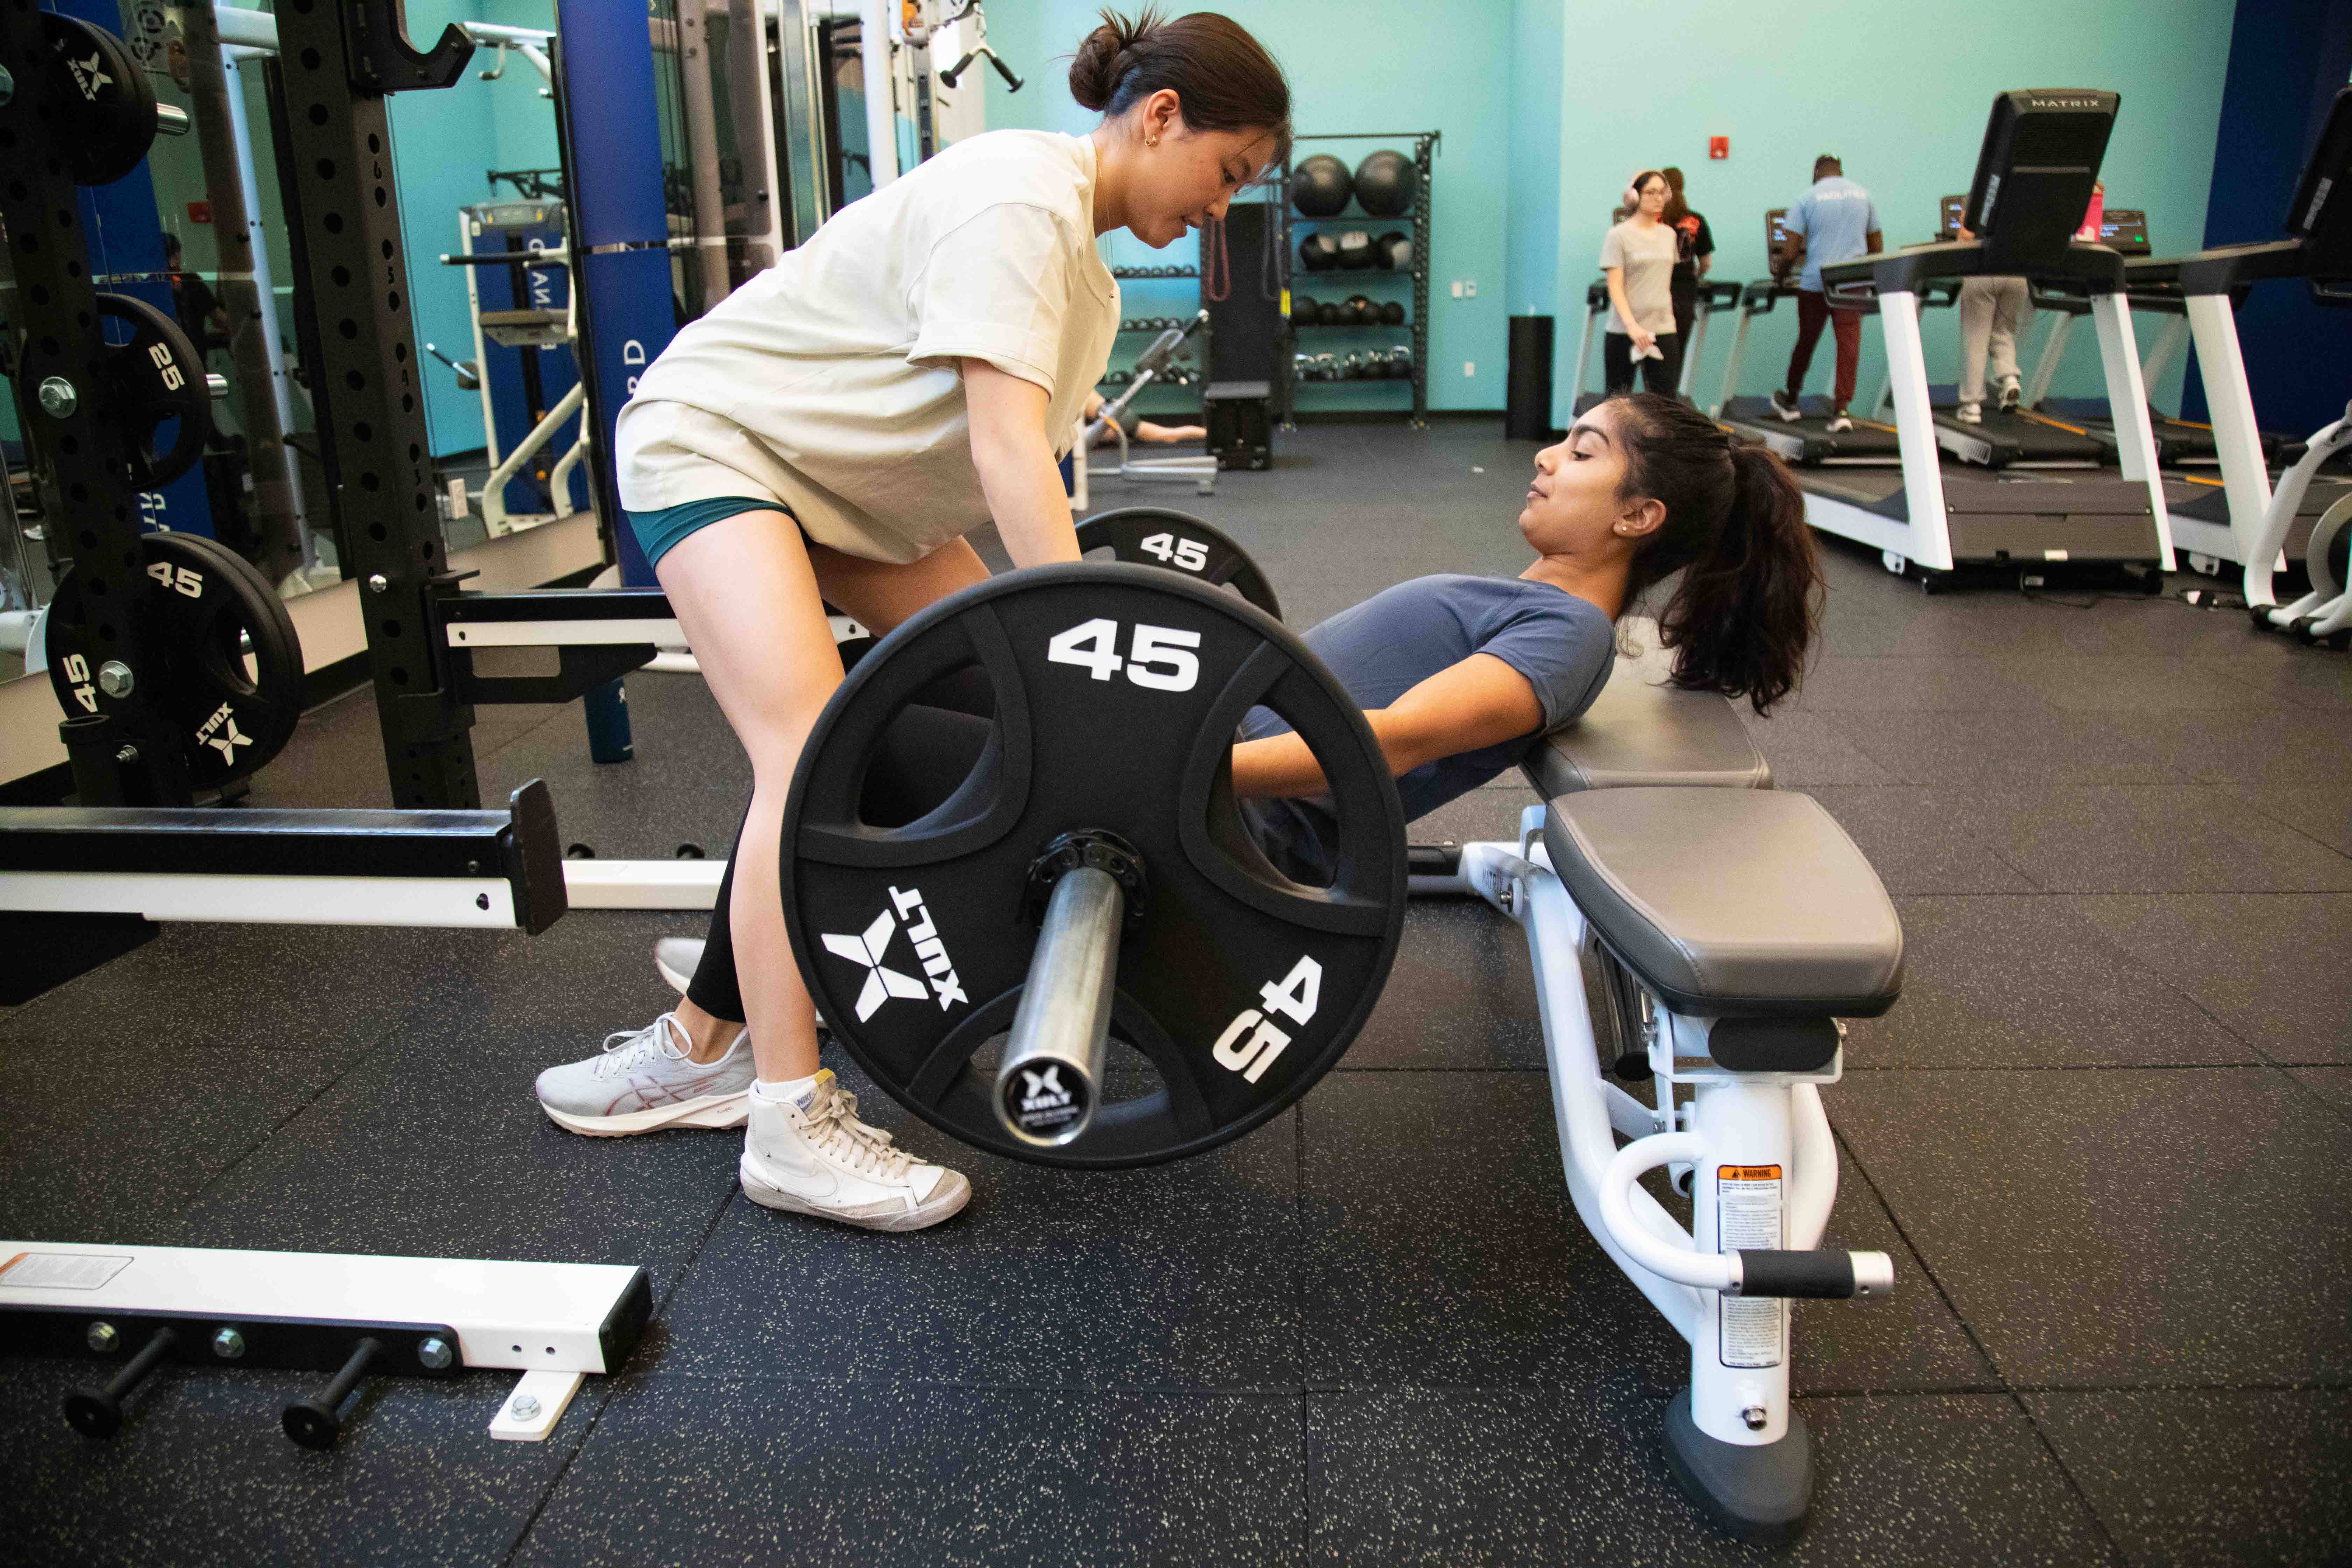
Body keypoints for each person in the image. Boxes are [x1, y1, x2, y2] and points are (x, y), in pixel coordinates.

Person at [529, 9, 1292, 1233]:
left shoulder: (1076, 253)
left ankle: (709, 1031)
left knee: (1001, 710)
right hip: (719, 446)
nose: (1222, 205)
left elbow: (980, 453)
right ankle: (785, 1120)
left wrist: (1065, 673)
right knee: (811, 748)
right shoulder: (1016, 201)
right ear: (1161, 118)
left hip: (845, 489)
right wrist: (1078, 651)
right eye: (1227, 172)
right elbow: (1003, 450)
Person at [656, 394, 1822, 976]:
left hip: (1214, 829)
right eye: (1563, 437)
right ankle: (774, 945)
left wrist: (1168, 766)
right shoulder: (1543, 606)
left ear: (1637, 515)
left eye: (1583, 451)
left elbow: (1383, 747)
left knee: (847, 740)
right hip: (1194, 764)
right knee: (895, 644)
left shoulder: (1564, 636)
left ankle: (730, 1013)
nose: (1547, 456)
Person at [1770, 155, 1881, 433]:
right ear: (1840, 173)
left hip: (1815, 282)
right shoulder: (1863, 195)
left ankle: (1791, 400)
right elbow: (1876, 243)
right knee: (1849, 344)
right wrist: (1873, 280)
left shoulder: (1806, 198)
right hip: (1851, 282)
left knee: (1807, 340)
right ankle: (1842, 410)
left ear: (1816, 173)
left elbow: (1791, 250)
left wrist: (1781, 278)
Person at [1600, 171, 1681, 396]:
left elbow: (1663, 281)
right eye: (1651, 192)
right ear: (1635, 196)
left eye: (1662, 193)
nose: (1658, 198)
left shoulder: (1669, 235)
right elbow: (1615, 285)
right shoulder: (1618, 235)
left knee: (1665, 405)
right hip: (1625, 330)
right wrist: (1632, 326)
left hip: (1663, 327)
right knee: (1618, 404)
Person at [1661, 167, 1715, 348]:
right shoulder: (1697, 220)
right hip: (1685, 293)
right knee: (1676, 355)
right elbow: (1706, 264)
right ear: (1683, 187)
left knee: (1653, 357)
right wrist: (1696, 276)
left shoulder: (1655, 220)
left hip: (1656, 292)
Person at [162, 233, 228, 352]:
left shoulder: (150, 285)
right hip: (193, 359)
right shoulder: (190, 281)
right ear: (177, 255)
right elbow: (221, 320)